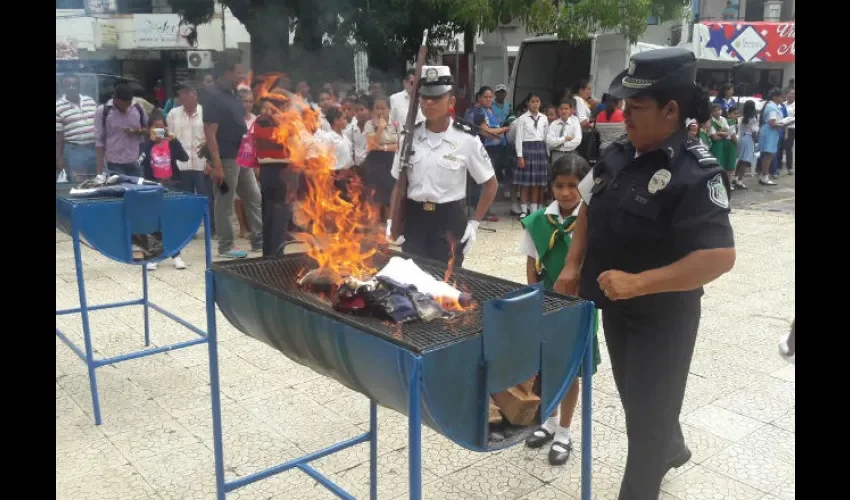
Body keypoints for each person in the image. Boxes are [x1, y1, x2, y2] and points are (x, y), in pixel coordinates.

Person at [558, 47, 736, 500]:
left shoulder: (695, 173)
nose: (625, 117)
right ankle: (671, 445)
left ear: (671, 110)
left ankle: (649, 468)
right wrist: (573, 264)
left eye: (636, 109)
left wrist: (639, 283)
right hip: (617, 309)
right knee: (639, 402)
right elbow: (588, 207)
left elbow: (719, 256)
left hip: (663, 318)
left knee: (645, 427)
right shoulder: (617, 152)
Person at [521, 155, 601, 466]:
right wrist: (533, 299)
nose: (566, 193)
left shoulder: (592, 222)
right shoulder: (538, 221)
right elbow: (531, 262)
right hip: (546, 307)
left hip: (579, 308)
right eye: (559, 185)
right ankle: (548, 422)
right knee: (547, 367)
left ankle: (565, 432)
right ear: (550, 186)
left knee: (571, 373)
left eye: (573, 186)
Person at [386, 66, 498, 268]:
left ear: (451, 102)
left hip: (449, 221)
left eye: (436, 98)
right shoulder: (408, 138)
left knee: (447, 287)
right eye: (424, 97)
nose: (429, 103)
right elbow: (398, 183)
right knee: (413, 285)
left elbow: (490, 184)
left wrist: (474, 223)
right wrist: (392, 220)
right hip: (415, 220)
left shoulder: (467, 140)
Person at [203, 57, 263, 258]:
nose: (241, 76)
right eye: (238, 72)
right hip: (226, 159)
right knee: (225, 202)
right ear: (226, 73)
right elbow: (210, 132)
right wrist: (216, 164)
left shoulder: (235, 95)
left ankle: (259, 239)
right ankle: (226, 246)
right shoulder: (214, 97)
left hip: (242, 156)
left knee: (254, 196)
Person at [137, 112, 189, 270]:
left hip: (170, 185)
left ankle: (176, 254)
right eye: (156, 127)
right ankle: (154, 256)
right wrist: (150, 144)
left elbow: (185, 157)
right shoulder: (144, 144)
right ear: (149, 129)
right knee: (153, 221)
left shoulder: (171, 143)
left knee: (170, 220)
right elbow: (138, 161)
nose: (160, 130)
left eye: (162, 127)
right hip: (152, 186)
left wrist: (175, 140)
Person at [95, 83, 148, 176]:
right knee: (118, 189)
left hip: (136, 160)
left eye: (128, 104)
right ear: (114, 99)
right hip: (113, 162)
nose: (125, 108)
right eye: (122, 105)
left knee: (136, 189)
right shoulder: (103, 111)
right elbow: (99, 139)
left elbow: (148, 131)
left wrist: (138, 131)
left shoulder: (138, 108)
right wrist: (100, 168)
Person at [56, 73, 98, 182]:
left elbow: (99, 126)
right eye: (67, 85)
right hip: (74, 151)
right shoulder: (58, 107)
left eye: (74, 84)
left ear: (79, 86)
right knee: (80, 183)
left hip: (94, 149)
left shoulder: (90, 101)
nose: (71, 87)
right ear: (62, 87)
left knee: (98, 181)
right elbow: (58, 137)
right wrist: (58, 158)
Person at [514, 92, 550, 219]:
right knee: (525, 183)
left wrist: (547, 154)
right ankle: (524, 210)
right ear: (527, 103)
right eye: (532, 101)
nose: (535, 104)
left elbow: (546, 137)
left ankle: (534, 210)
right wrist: (520, 156)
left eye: (537, 101)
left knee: (536, 183)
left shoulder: (544, 118)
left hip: (540, 150)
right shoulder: (522, 119)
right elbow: (518, 138)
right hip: (527, 150)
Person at [545, 98, 583, 165]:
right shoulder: (554, 124)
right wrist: (565, 139)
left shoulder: (575, 122)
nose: (563, 111)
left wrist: (561, 144)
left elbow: (577, 140)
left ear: (570, 110)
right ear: (558, 110)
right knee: (557, 174)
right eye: (561, 109)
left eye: (566, 109)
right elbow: (550, 142)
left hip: (570, 153)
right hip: (557, 154)